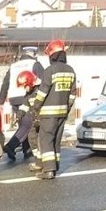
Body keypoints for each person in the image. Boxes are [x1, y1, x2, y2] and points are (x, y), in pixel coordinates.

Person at [27, 39, 76, 179]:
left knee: (45, 139)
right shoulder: (71, 71)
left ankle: (48, 170)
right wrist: (67, 108)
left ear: (52, 55)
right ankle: (55, 166)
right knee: (56, 141)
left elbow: (42, 93)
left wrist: (35, 107)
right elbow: (73, 94)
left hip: (48, 114)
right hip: (62, 113)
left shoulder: (50, 71)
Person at [0, 46, 44, 157]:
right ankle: (10, 146)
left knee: (23, 124)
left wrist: (1, 100)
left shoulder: (13, 66)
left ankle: (26, 149)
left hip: (14, 99)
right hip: (27, 97)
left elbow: (5, 83)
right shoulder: (35, 64)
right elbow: (44, 81)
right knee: (28, 125)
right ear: (33, 54)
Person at [3, 71, 40, 161]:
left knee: (30, 132)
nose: (24, 88)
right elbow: (24, 106)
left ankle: (39, 158)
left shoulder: (39, 92)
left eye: (25, 86)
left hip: (41, 119)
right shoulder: (29, 94)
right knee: (29, 131)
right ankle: (36, 157)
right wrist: (18, 116)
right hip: (34, 117)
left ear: (30, 83)